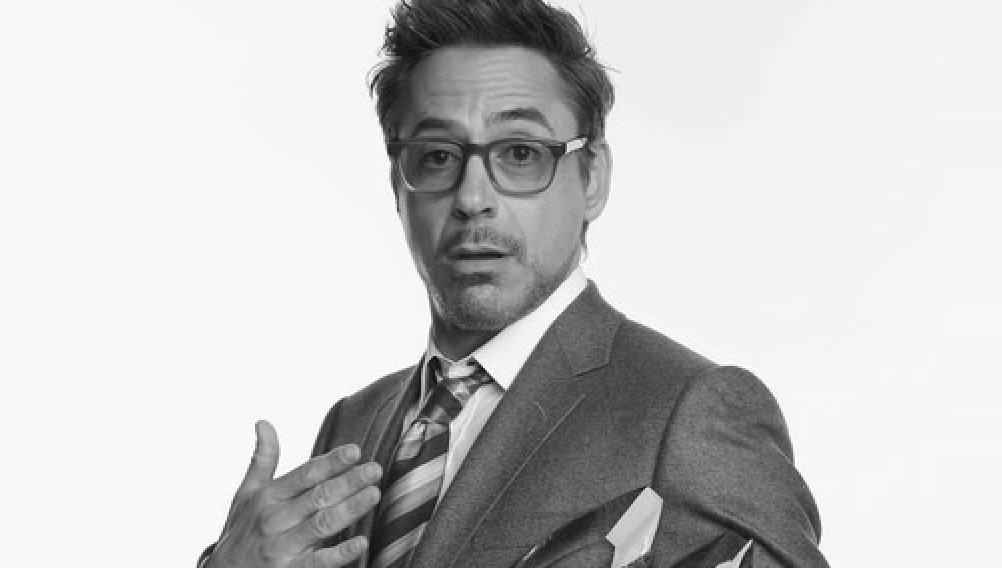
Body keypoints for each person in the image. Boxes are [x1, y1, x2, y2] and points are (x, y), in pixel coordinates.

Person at [199, 0, 828, 566]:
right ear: (398, 185)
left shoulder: (689, 413)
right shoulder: (353, 426)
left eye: (521, 153)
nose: (473, 197)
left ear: (593, 178)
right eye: (437, 156)